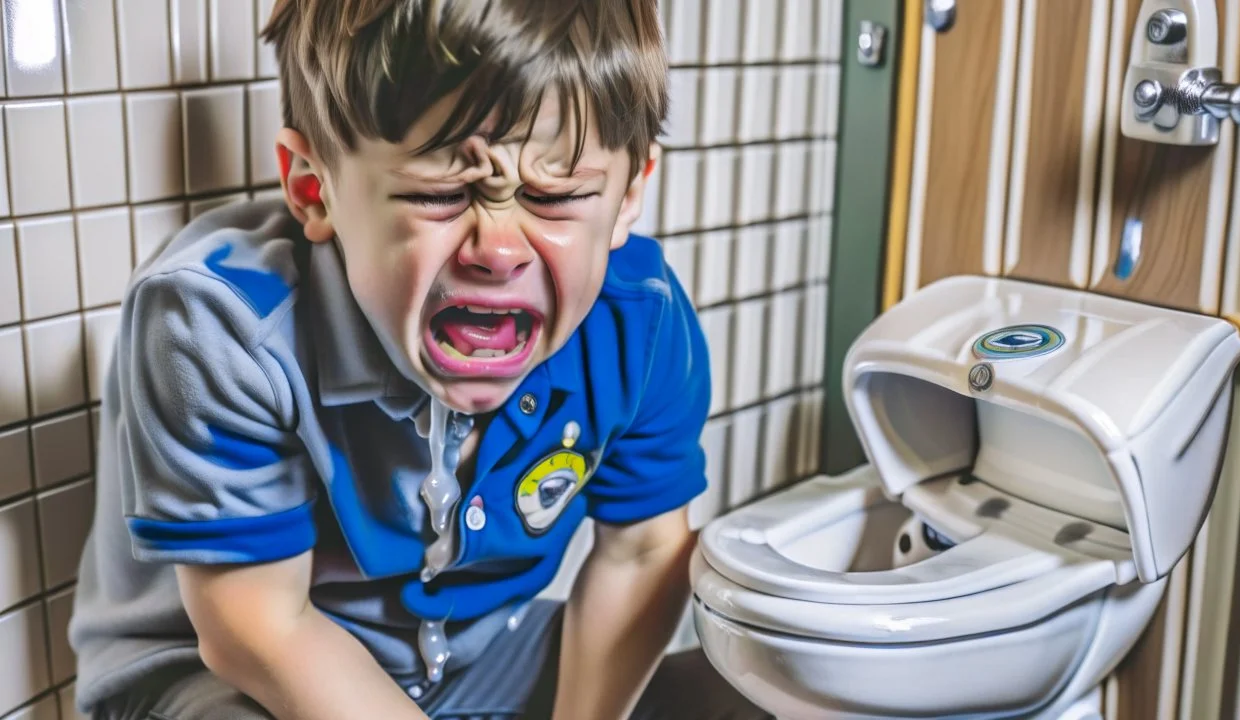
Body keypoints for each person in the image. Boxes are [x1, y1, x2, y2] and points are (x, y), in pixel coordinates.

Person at [67, 1, 767, 718]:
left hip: (478, 660)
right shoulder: (222, 324)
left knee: (759, 700)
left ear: (628, 196)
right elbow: (258, 630)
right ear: (315, 187)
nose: (498, 249)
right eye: (441, 193)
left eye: (556, 197)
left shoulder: (637, 321)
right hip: (219, 679)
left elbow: (644, 553)